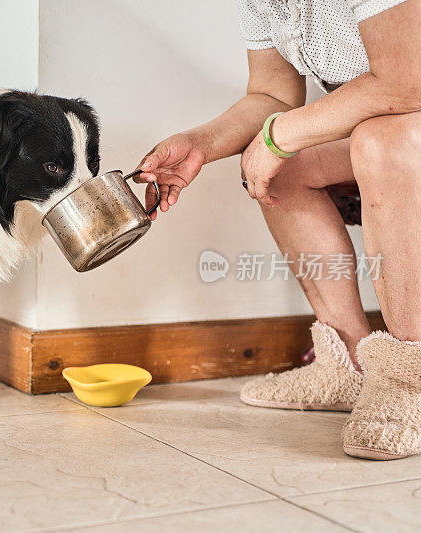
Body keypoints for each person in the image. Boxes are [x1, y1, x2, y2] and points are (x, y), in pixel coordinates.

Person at [135, 0, 421, 460]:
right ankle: (348, 366)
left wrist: (279, 135)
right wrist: (201, 145)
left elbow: (407, 81)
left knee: (379, 142)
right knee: (279, 169)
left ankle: (410, 379)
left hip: (406, 124)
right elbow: (271, 97)